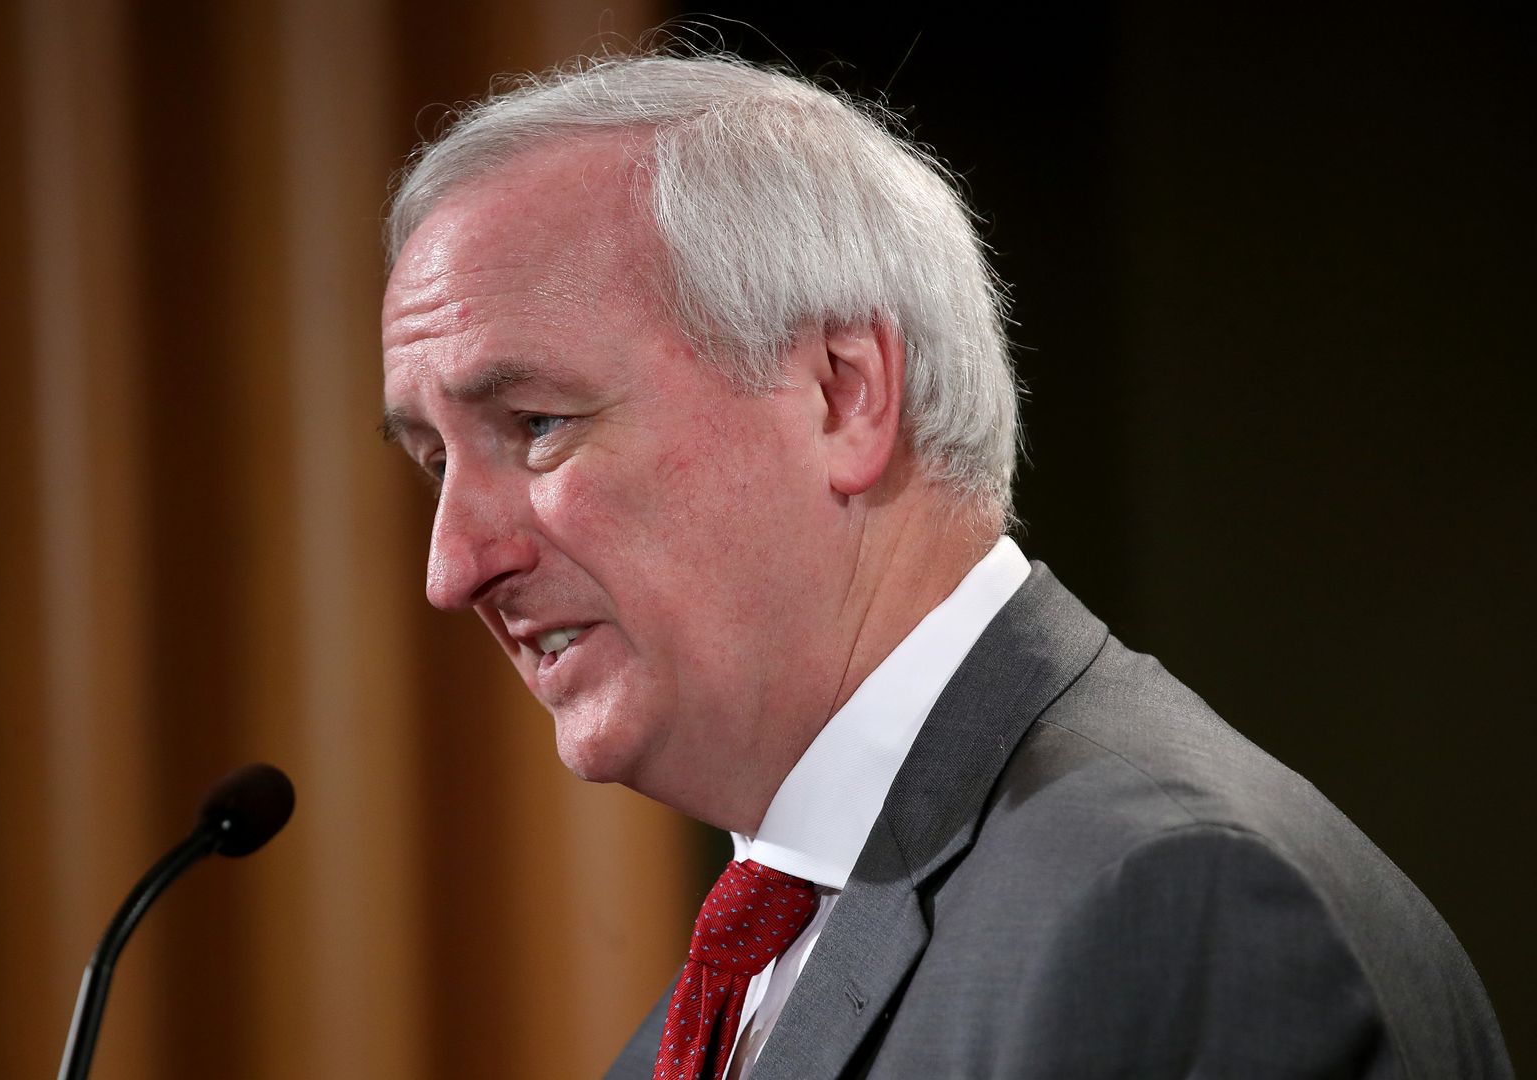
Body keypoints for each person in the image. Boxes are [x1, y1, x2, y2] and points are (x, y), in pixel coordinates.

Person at [378, 52, 1511, 1079]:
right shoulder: (700, 1020)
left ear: (842, 392)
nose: (453, 566)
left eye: (534, 424)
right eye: (433, 462)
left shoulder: (1170, 903)